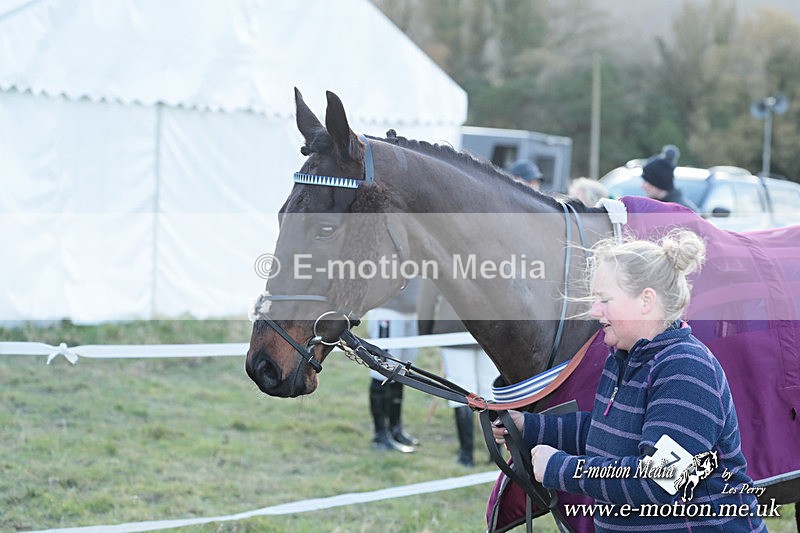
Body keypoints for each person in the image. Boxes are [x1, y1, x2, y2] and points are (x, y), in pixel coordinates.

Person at [492, 230, 765, 532]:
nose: (595, 311)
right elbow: (608, 436)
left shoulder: (686, 368)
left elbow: (661, 479)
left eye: (605, 300)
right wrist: (529, 427)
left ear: (646, 300)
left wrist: (562, 469)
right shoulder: (623, 360)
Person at [418, 279, 498, 467]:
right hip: (491, 329)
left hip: (454, 328)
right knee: (489, 390)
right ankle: (494, 454)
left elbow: (427, 296)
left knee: (463, 391)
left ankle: (466, 455)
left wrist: (424, 332)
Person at [366, 277, 421, 453]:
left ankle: (395, 429)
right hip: (388, 312)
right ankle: (380, 435)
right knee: (382, 371)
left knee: (401, 371)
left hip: (412, 313)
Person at [640, 145, 699, 212]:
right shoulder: (650, 208)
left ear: (659, 182)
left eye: (647, 181)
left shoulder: (682, 212)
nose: (642, 186)